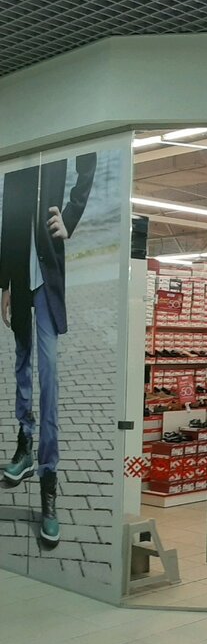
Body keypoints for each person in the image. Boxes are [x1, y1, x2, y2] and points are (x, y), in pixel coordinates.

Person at [0, 153, 95, 546]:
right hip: (19, 278)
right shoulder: (20, 158)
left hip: (47, 274)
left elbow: (88, 160)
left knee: (49, 377)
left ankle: (48, 482)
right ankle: (24, 444)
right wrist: (4, 283)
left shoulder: (57, 143)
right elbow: (8, 218)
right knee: (22, 363)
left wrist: (71, 214)